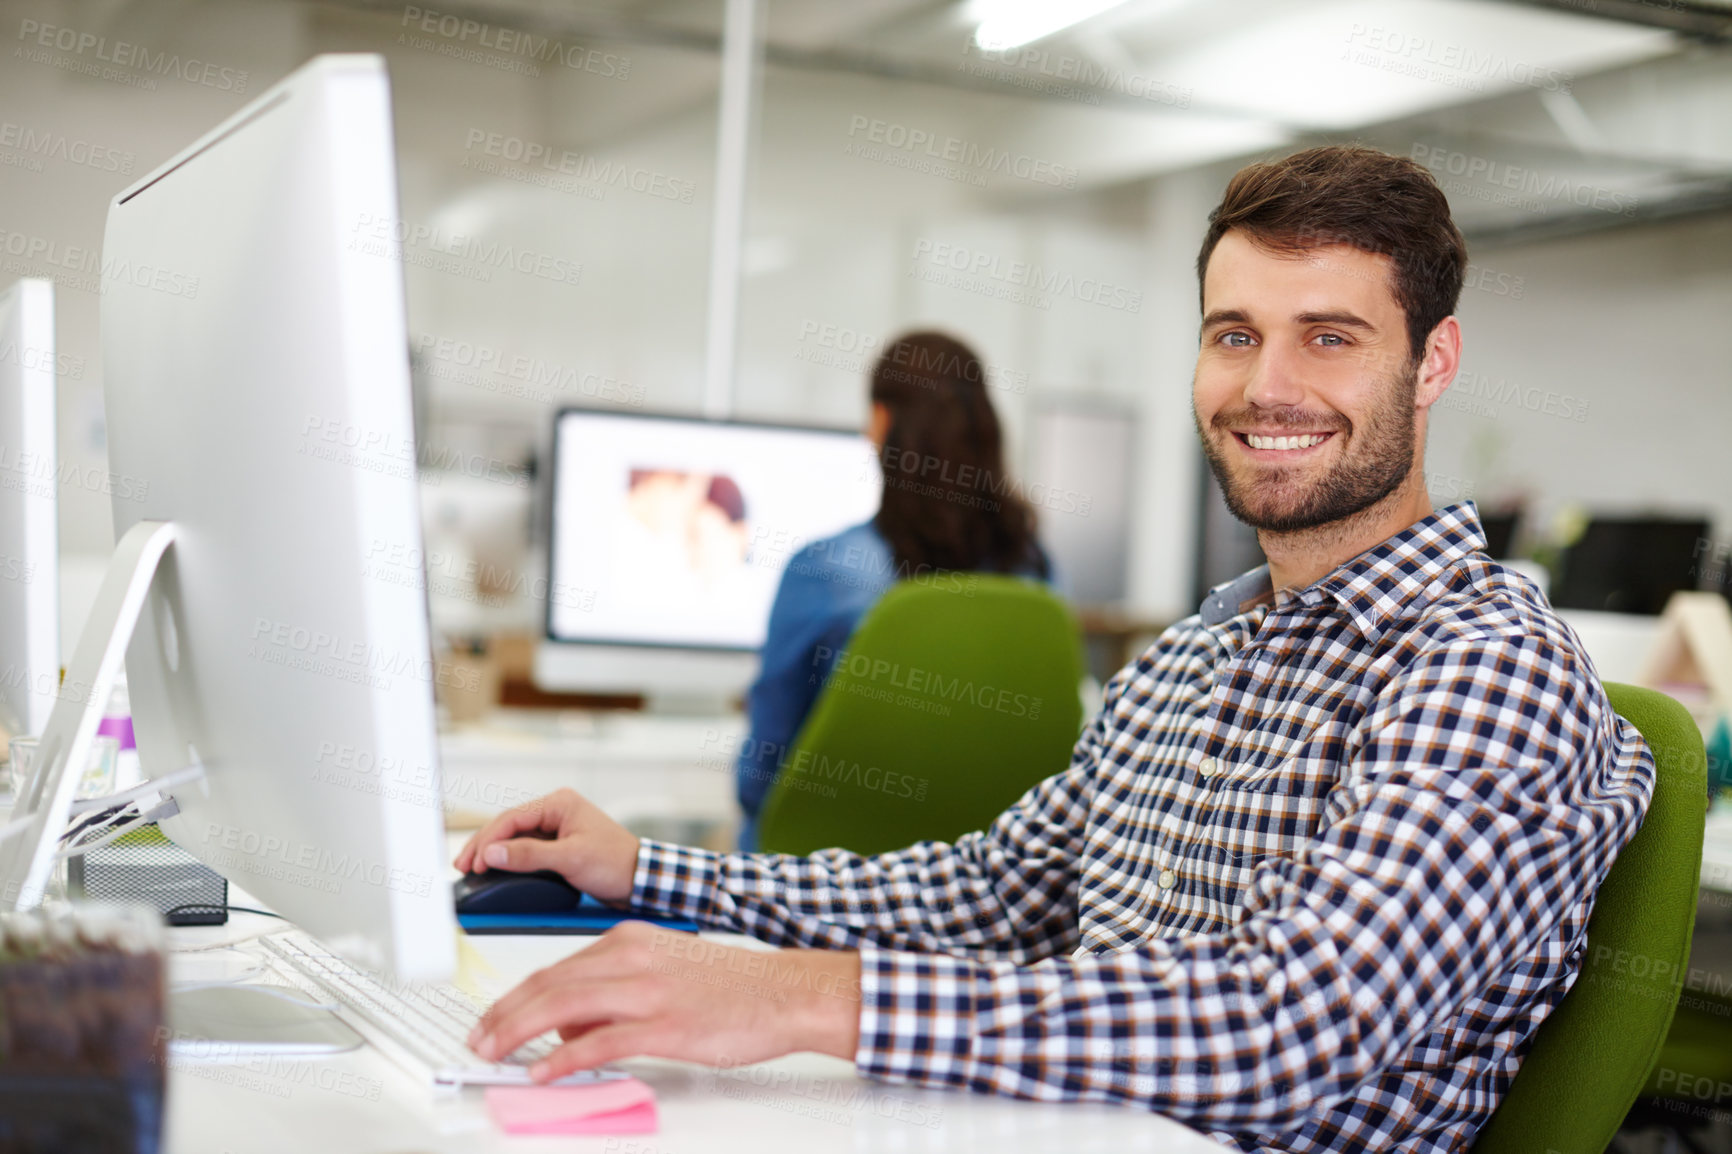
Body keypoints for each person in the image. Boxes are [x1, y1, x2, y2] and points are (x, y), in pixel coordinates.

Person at [453, 146, 1654, 1154]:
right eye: (1232, 334)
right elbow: (983, 892)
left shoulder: (1485, 664)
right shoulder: (1197, 653)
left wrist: (793, 996)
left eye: (1329, 337)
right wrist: (655, 876)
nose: (1267, 384)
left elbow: (1292, 1026)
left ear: (1431, 362)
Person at [734, 330, 1050, 850]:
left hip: (823, 888)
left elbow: (762, 774)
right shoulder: (1035, 573)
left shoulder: (824, 571)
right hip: (980, 885)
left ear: (881, 422)